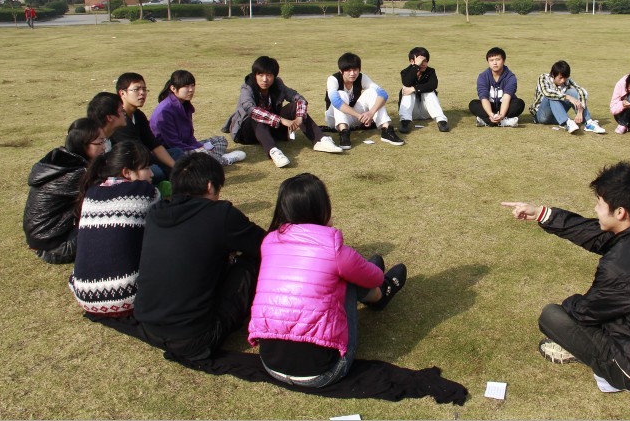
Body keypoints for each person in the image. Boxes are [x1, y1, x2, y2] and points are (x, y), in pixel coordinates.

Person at [501, 162, 630, 392]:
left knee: (552, 316)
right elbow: (592, 232)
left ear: (620, 212)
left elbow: (584, 312)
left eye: (600, 203)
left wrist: (570, 303)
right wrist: (541, 213)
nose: (595, 209)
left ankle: (585, 354)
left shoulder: (618, 267)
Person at [248, 173, 407, 387]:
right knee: (347, 277)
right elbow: (375, 277)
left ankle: (371, 285)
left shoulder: (270, 241)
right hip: (323, 372)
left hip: (270, 363)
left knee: (332, 274)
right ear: (320, 207)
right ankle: (381, 295)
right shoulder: (333, 248)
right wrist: (370, 272)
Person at [134, 152, 266, 361]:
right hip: (195, 338)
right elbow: (266, 245)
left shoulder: (156, 212)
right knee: (251, 261)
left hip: (148, 326)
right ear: (210, 186)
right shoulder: (220, 214)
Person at [68, 141, 159, 316]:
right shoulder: (145, 192)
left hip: (85, 295)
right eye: (146, 168)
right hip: (128, 296)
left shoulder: (91, 193)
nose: (152, 174)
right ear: (126, 172)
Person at [223, 56, 342, 169]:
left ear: (274, 76)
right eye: (260, 75)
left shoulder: (277, 84)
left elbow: (299, 98)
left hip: (271, 128)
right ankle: (274, 151)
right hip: (246, 133)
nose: (265, 79)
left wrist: (299, 117)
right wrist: (282, 120)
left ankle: (319, 140)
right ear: (255, 75)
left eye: (269, 75)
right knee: (257, 115)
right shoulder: (247, 87)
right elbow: (250, 109)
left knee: (295, 106)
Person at [23, 118, 106, 264]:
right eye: (100, 142)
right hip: (55, 248)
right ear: (83, 144)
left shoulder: (60, 160)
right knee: (113, 219)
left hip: (42, 240)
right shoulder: (77, 174)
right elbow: (105, 197)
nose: (104, 147)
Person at [150, 70, 246, 166]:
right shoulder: (164, 111)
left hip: (187, 146)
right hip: (173, 152)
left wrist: (199, 147)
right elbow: (173, 143)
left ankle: (212, 159)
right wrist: (198, 150)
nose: (191, 90)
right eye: (186, 86)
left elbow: (190, 137)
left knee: (220, 140)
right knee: (202, 153)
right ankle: (223, 160)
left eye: (192, 85)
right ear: (173, 88)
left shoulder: (185, 105)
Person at [324, 52, 404, 149]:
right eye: (348, 70)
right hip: (334, 118)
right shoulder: (333, 79)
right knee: (341, 94)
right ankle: (343, 133)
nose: (352, 73)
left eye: (355, 70)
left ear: (359, 69)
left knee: (372, 92)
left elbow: (383, 93)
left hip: (353, 118)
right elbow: (335, 101)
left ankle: (386, 129)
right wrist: (359, 116)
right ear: (341, 71)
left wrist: (370, 113)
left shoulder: (361, 77)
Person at [112, 72, 179, 186]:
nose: (142, 93)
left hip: (145, 156)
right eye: (136, 89)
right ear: (122, 93)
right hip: (130, 163)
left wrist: (175, 166)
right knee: (156, 172)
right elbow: (137, 153)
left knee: (177, 153)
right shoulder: (119, 120)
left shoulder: (138, 115)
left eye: (144, 89)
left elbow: (154, 145)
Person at [530, 60, 605, 134]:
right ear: (553, 74)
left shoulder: (567, 80)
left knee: (573, 91)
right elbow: (547, 92)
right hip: (542, 116)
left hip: (557, 116)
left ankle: (588, 122)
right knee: (552, 96)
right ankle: (567, 122)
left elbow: (581, 91)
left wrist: (580, 111)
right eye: (560, 78)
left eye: (565, 78)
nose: (563, 80)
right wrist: (568, 97)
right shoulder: (543, 78)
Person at [468, 47, 525, 127]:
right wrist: (491, 114)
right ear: (488, 62)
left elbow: (506, 98)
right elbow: (484, 97)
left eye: (498, 59)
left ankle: (487, 121)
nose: (494, 63)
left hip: (505, 106)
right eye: (491, 60)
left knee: (519, 103)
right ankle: (502, 122)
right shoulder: (483, 77)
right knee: (473, 104)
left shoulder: (510, 77)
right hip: (489, 106)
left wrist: (501, 115)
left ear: (503, 60)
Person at [398, 47, 449, 133]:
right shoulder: (405, 72)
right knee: (406, 89)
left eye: (426, 61)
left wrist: (414, 89)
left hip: (427, 111)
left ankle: (441, 121)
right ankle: (405, 121)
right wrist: (416, 66)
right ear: (412, 61)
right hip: (411, 113)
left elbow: (433, 85)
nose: (424, 64)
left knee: (429, 91)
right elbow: (407, 82)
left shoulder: (430, 71)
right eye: (421, 61)